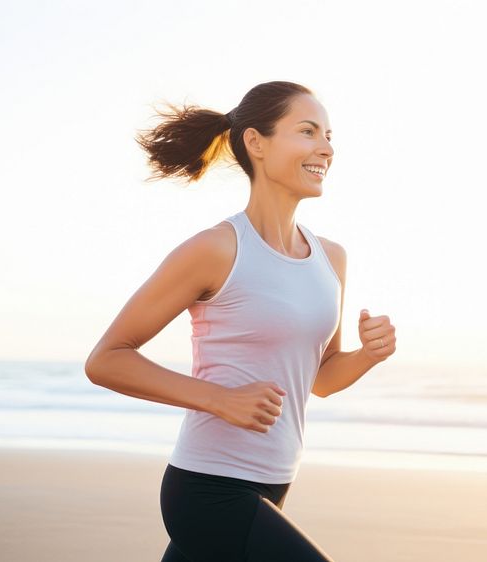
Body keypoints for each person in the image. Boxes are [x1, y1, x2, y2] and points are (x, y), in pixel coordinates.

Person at [84, 80, 397, 561]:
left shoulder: (332, 258)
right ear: (256, 143)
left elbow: (321, 380)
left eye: (330, 135)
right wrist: (218, 399)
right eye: (308, 131)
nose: (326, 148)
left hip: (275, 483)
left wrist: (368, 355)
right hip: (208, 489)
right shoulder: (216, 249)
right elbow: (106, 360)